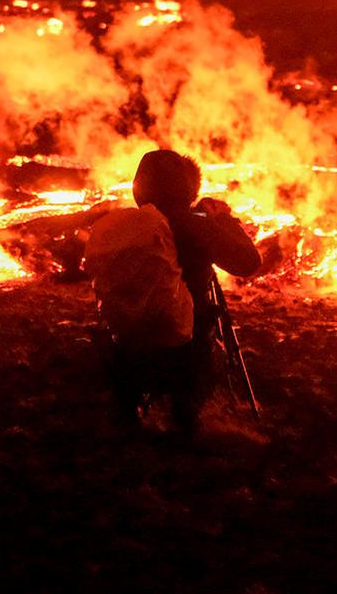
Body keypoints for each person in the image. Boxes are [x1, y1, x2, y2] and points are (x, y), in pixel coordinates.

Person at [85, 149, 261, 433]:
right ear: (187, 189)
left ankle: (127, 408)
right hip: (182, 346)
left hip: (126, 341)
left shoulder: (122, 225)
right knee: (199, 322)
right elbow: (248, 263)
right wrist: (224, 222)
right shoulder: (194, 225)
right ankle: (186, 412)